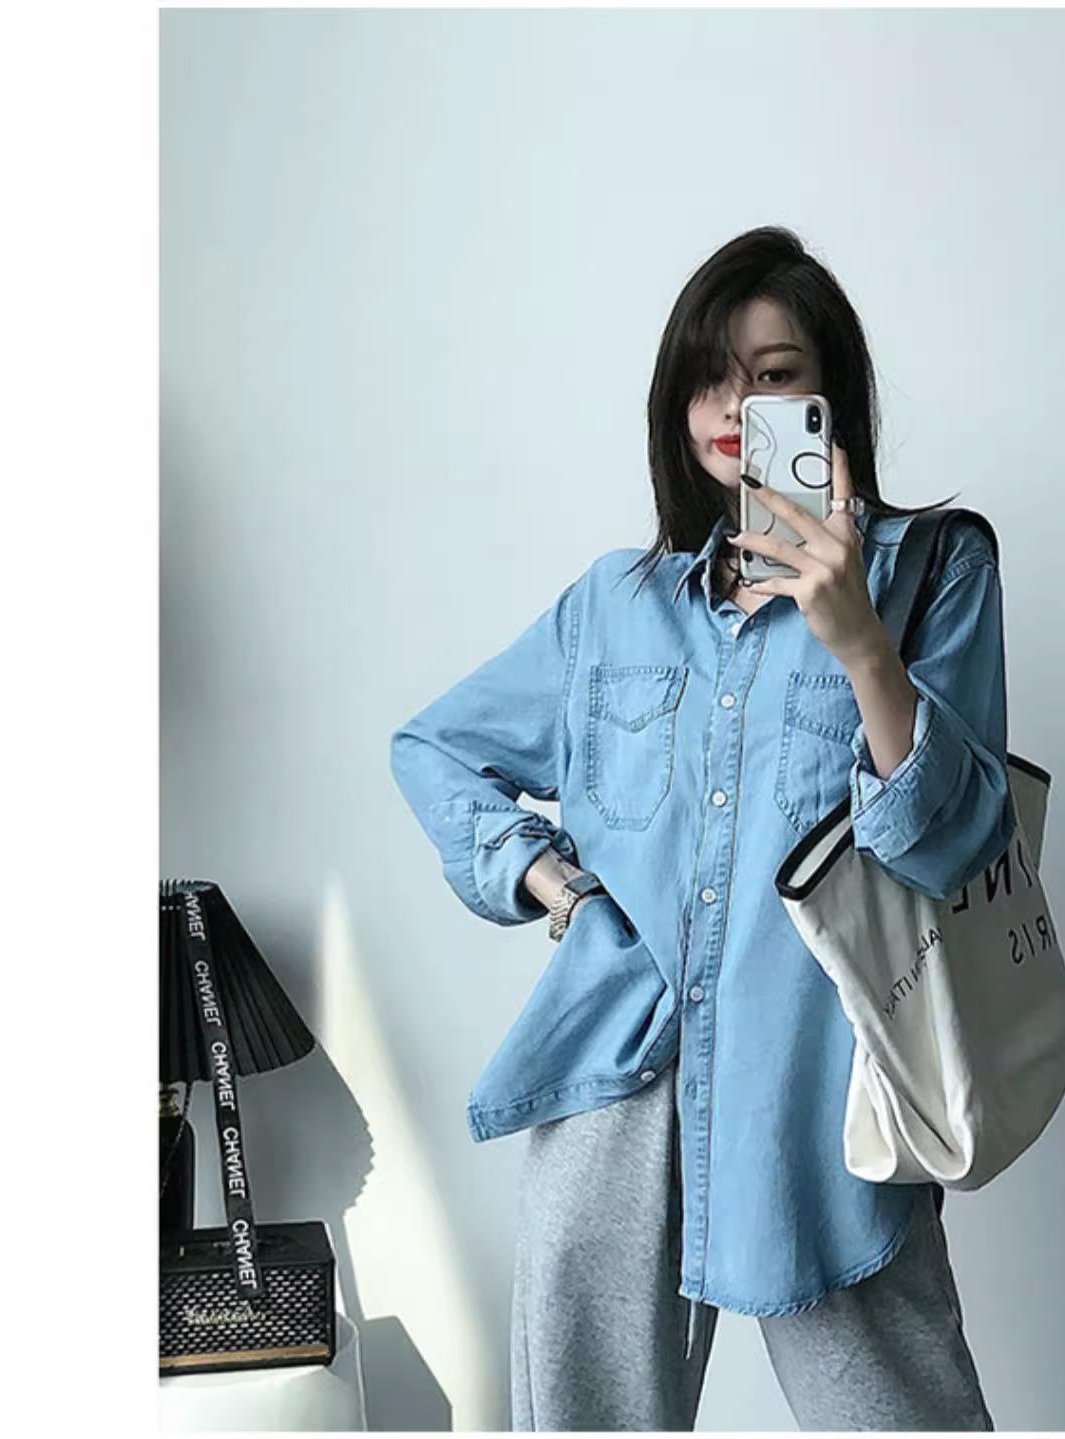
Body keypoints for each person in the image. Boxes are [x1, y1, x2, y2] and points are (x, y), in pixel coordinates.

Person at [390, 225, 1012, 1431]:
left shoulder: (935, 569)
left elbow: (959, 842)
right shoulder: (614, 607)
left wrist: (858, 641)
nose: (736, 406)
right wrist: (550, 880)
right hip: (616, 1088)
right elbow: (436, 746)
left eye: (773, 375)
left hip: (821, 1095)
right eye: (710, 377)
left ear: (829, 394)